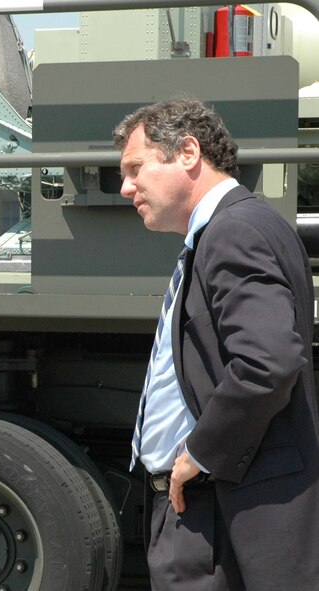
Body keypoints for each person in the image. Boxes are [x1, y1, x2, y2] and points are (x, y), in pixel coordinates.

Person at [115, 98, 319, 590]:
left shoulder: (233, 230)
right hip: (215, 502)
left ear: (188, 152)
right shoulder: (233, 227)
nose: (126, 188)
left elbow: (267, 362)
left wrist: (199, 454)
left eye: (135, 168)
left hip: (216, 506)